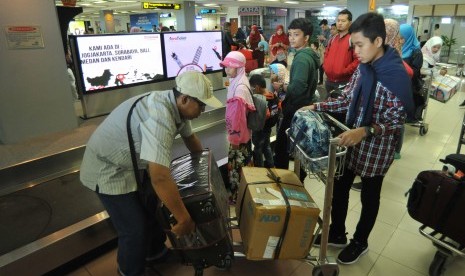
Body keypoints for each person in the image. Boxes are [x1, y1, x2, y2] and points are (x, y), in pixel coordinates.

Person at [79, 71, 223, 276]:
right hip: (108, 169)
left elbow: (191, 140)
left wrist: (208, 171)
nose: (203, 109)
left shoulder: (176, 106)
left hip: (132, 164)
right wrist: (184, 219)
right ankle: (128, 271)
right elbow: (160, 176)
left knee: (154, 209)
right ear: (184, 98)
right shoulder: (160, 117)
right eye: (201, 105)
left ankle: (155, 253)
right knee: (134, 229)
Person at [302, 12, 414, 264]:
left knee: (369, 197)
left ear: (377, 41)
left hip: (376, 148)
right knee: (339, 189)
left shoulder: (396, 77)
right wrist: (317, 106)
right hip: (351, 141)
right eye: (353, 45)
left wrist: (365, 131)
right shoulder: (364, 68)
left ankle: (360, 242)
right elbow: (347, 98)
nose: (356, 51)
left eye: (360, 45)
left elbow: (396, 121)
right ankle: (338, 233)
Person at [274, 18, 319, 178]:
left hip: (295, 108)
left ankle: (282, 180)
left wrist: (283, 87)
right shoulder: (310, 55)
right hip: (305, 107)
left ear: (306, 38)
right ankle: (298, 180)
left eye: (296, 34)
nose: (292, 38)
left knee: (281, 147)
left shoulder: (301, 58)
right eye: (290, 34)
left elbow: (298, 88)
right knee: (299, 148)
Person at [221, 51, 255, 202]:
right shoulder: (240, 81)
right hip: (244, 135)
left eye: (230, 67)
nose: (227, 70)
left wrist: (234, 141)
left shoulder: (239, 88)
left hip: (239, 138)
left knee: (237, 168)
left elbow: (238, 120)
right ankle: (243, 196)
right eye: (226, 66)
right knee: (243, 166)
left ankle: (237, 198)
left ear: (239, 67)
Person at [323, 9, 359, 100]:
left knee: (340, 109)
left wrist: (344, 71)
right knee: (328, 107)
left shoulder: (353, 39)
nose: (339, 23)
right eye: (338, 20)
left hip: (344, 82)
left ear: (350, 23)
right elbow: (326, 53)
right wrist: (325, 66)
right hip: (329, 81)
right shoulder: (333, 39)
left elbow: (358, 60)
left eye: (343, 21)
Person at [249, 74, 280, 168]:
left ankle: (260, 170)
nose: (252, 90)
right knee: (266, 146)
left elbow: (266, 115)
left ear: (257, 87)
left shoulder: (261, 99)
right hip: (268, 128)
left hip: (260, 128)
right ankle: (271, 166)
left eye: (252, 88)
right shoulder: (272, 95)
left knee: (258, 149)